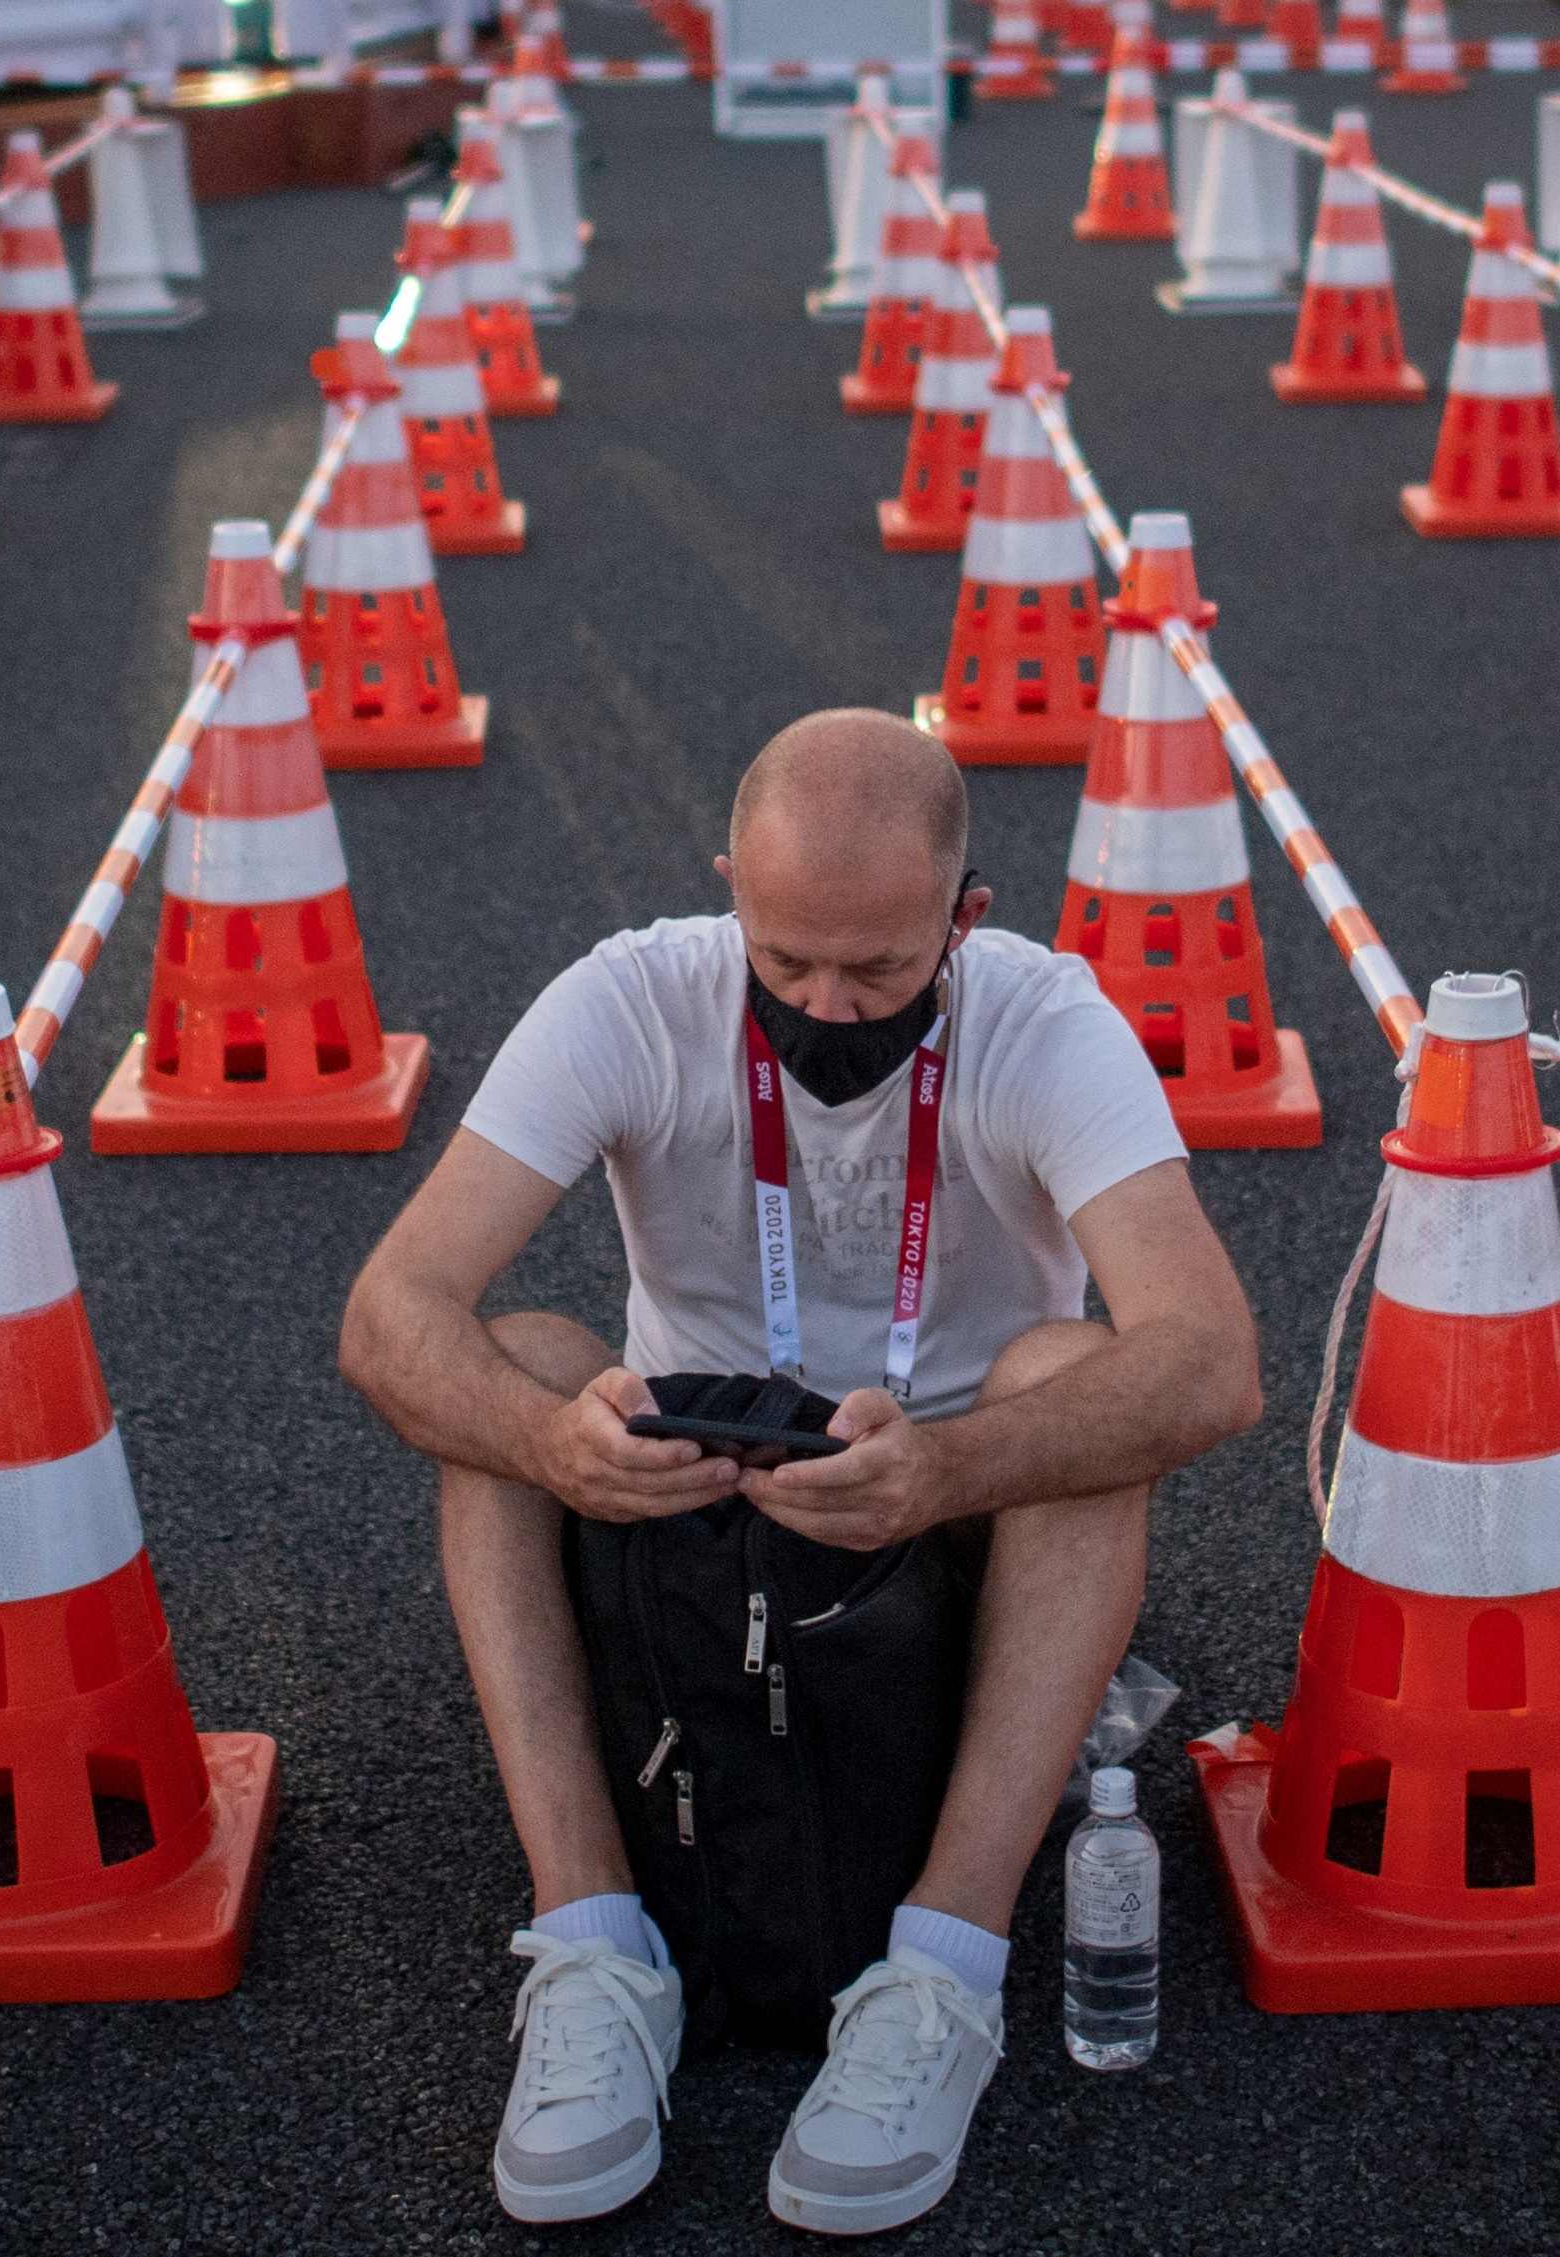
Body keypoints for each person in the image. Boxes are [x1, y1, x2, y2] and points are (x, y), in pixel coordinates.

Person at [340, 709, 1263, 2236]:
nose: (828, 1004)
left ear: (965, 919)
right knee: (522, 1353)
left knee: (1068, 1374)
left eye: (882, 969)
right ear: (728, 893)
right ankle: (588, 1945)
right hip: (697, 1496)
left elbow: (1210, 1360)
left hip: (954, 1514)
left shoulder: (1047, 1019)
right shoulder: (630, 996)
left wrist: (945, 1469)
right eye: (785, 964)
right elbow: (390, 1316)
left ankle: (943, 1975)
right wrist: (546, 1440)